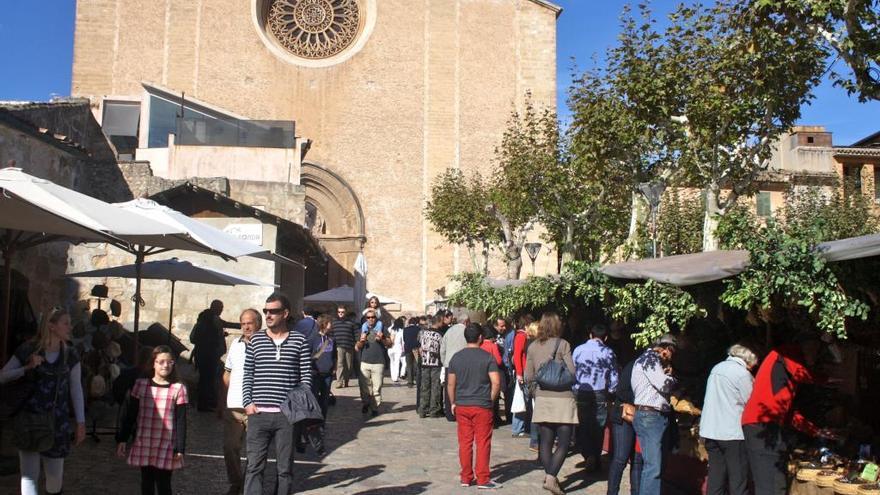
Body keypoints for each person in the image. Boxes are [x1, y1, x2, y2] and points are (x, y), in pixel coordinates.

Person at [0, 306, 85, 495]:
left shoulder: (71, 354)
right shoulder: (27, 349)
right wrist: (26, 368)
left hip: (57, 423)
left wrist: (80, 422)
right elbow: (3, 376)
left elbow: (76, 388)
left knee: (54, 477)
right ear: (51, 326)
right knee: (29, 476)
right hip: (29, 420)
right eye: (66, 323)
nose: (70, 327)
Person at [741, 333, 836, 495]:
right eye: (815, 348)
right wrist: (827, 379)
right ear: (806, 344)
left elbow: (789, 412)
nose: (815, 356)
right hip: (760, 424)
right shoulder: (785, 353)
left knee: (778, 482)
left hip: (770, 426)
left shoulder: (787, 374)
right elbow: (802, 373)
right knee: (767, 483)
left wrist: (815, 431)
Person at [242, 292, 312, 495]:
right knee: (254, 466)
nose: (268, 315)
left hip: (286, 417)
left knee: (284, 469)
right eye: (266, 311)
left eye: (273, 311)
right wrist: (248, 402)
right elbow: (248, 374)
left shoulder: (299, 340)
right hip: (258, 414)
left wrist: (296, 407)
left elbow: (306, 376)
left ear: (285, 313)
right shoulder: (255, 340)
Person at [116, 345, 187, 495]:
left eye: (169, 362)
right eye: (161, 362)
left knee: (164, 484)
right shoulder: (141, 385)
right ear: (153, 363)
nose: (165, 365)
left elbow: (181, 421)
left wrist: (180, 448)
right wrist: (122, 438)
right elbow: (131, 414)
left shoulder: (178, 389)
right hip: (145, 441)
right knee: (146, 482)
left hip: (167, 444)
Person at [525, 312, 578, 495]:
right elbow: (572, 372)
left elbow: (528, 377)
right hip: (563, 398)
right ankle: (551, 477)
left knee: (546, 442)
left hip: (543, 397)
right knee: (563, 442)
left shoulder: (532, 347)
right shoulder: (563, 344)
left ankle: (550, 477)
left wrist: (536, 393)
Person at [448, 323, 503, 490]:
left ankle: (465, 476)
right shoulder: (487, 357)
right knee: (483, 442)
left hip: (462, 404)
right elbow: (496, 382)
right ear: (480, 338)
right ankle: (483, 478)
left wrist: (453, 403)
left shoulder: (456, 357)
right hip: (482, 404)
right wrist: (491, 400)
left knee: (465, 442)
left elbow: (451, 384)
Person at [700, 344, 758, 495]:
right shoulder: (742, 374)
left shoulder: (717, 368)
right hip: (732, 433)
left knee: (715, 478)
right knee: (738, 480)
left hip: (711, 431)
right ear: (748, 359)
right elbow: (752, 402)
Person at [631, 334, 678, 495]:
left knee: (653, 465)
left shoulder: (647, 360)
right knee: (653, 467)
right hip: (650, 416)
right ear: (666, 349)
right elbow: (664, 385)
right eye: (673, 352)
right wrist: (671, 377)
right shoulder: (650, 359)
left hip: (651, 416)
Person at [221, 308, 260, 495]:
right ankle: (236, 482)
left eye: (249, 322)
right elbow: (227, 374)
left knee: (254, 451)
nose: (246, 326)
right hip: (234, 406)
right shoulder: (235, 344)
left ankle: (248, 485)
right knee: (230, 447)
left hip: (256, 407)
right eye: (243, 323)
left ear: (258, 324)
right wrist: (222, 402)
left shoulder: (265, 345)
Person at [572, 323, 619, 472]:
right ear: (605, 337)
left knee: (584, 423)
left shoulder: (578, 350)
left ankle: (588, 455)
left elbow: (572, 370)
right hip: (600, 391)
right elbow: (614, 375)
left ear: (590, 335)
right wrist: (612, 390)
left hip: (581, 391)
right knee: (599, 425)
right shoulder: (609, 352)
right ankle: (595, 455)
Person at [190, 300, 238, 412]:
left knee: (204, 379)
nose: (221, 310)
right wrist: (242, 325)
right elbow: (222, 326)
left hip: (201, 354)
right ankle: (205, 405)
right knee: (207, 380)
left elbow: (209, 334)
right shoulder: (213, 318)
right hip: (209, 355)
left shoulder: (204, 317)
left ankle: (205, 403)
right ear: (215, 307)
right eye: (220, 308)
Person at [607, 358, 643, 495]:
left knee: (638, 461)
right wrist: (642, 400)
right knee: (620, 458)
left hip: (643, 418)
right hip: (625, 415)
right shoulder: (634, 365)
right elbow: (621, 391)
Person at [308, 315, 336, 456]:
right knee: (314, 401)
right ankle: (314, 425)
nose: (332, 325)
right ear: (324, 324)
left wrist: (334, 367)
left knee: (324, 401)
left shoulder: (332, 339)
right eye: (330, 323)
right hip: (316, 375)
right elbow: (308, 355)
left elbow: (334, 355)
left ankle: (322, 424)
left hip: (327, 375)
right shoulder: (313, 339)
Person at [356, 309, 390, 416]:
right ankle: (366, 403)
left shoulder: (382, 328)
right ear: (366, 319)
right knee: (364, 387)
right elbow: (357, 347)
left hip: (379, 362)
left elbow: (390, 343)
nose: (371, 319)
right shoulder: (362, 329)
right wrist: (361, 341)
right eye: (368, 317)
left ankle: (374, 408)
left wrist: (383, 338)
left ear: (376, 318)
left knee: (377, 387)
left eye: (373, 317)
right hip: (365, 361)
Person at [441, 309, 469, 420]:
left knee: (449, 388)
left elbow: (442, 349)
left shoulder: (449, 331)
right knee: (461, 388)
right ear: (466, 322)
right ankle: (461, 413)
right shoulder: (466, 331)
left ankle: (449, 413)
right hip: (463, 363)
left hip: (449, 363)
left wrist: (444, 362)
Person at [510, 316, 532, 439]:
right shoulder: (521, 336)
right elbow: (517, 355)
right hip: (522, 372)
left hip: (522, 371)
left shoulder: (521, 336)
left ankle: (520, 428)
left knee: (523, 400)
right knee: (521, 401)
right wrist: (519, 373)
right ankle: (517, 428)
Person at [418, 314, 444, 418]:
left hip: (424, 363)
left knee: (424, 387)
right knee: (435, 387)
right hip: (436, 363)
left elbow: (419, 346)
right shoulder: (440, 335)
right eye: (441, 321)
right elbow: (442, 349)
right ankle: (433, 410)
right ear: (437, 322)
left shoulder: (423, 333)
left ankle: (423, 409)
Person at [331, 306, 358, 388]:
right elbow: (331, 334)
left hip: (349, 346)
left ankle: (346, 380)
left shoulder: (351, 323)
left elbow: (356, 334)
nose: (340, 314)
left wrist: (357, 342)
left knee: (349, 365)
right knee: (340, 364)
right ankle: (339, 381)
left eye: (342, 312)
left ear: (345, 313)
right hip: (338, 346)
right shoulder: (334, 323)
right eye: (339, 312)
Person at [403, 316, 422, 388]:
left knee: (409, 365)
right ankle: (417, 380)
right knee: (416, 365)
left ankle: (410, 382)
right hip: (416, 348)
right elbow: (420, 339)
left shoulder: (405, 329)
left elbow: (404, 339)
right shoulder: (418, 329)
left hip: (407, 348)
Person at [388, 316, 407, 383]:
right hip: (398, 348)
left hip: (390, 348)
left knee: (391, 362)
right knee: (397, 362)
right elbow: (403, 341)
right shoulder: (402, 331)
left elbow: (389, 331)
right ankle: (395, 377)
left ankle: (393, 376)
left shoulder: (390, 329)